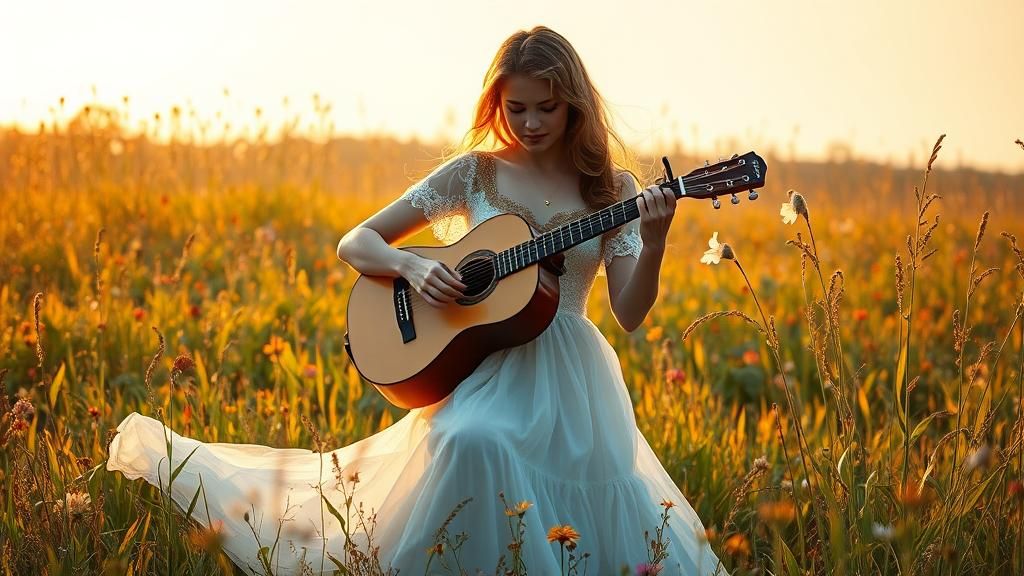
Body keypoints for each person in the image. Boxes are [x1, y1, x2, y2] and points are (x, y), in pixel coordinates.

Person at [106, 25, 725, 575]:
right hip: (481, 365)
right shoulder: (474, 173)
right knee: (471, 439)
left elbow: (630, 314)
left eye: (547, 108)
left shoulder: (610, 187)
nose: (532, 123)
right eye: (517, 109)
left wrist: (654, 239)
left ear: (575, 105)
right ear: (497, 104)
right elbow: (357, 241)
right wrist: (412, 266)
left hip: (571, 382)